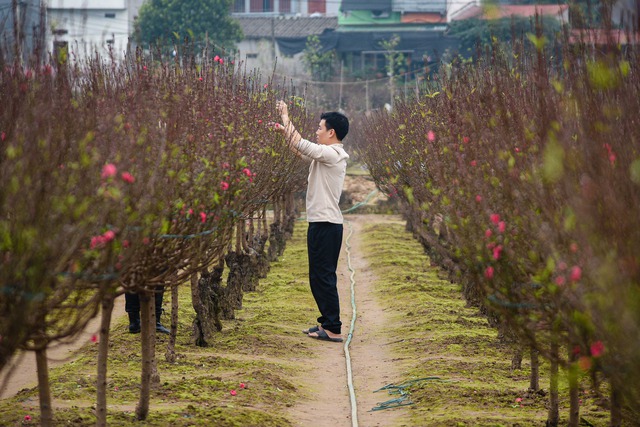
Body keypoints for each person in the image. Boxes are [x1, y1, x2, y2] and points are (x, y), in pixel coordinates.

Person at [275, 100, 349, 343]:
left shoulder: (333, 154)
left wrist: (286, 117)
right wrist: (285, 132)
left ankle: (333, 327)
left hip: (327, 224)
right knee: (318, 276)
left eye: (319, 128)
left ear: (331, 132)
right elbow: (299, 149)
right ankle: (326, 323)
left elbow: (303, 144)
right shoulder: (326, 156)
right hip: (321, 222)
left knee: (324, 276)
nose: (316, 132)